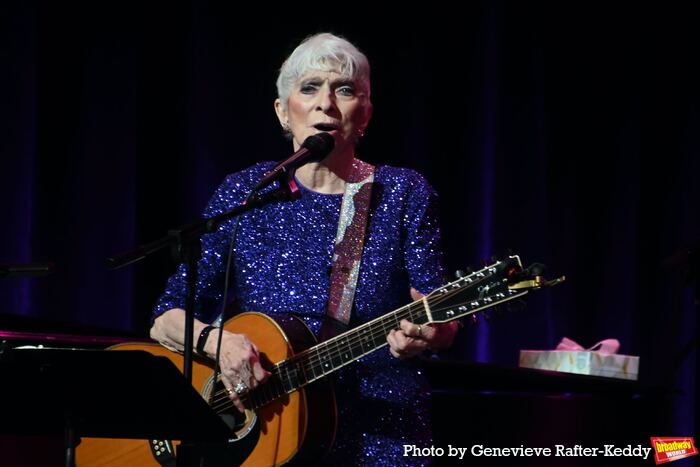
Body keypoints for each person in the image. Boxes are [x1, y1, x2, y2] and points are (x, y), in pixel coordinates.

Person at [150, 32, 460, 466]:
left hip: (378, 434)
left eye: (346, 90)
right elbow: (166, 319)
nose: (326, 104)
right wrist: (218, 343)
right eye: (309, 87)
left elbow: (438, 317)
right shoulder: (246, 193)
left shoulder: (402, 192)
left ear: (365, 113)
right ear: (283, 111)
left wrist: (431, 333)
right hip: (268, 436)